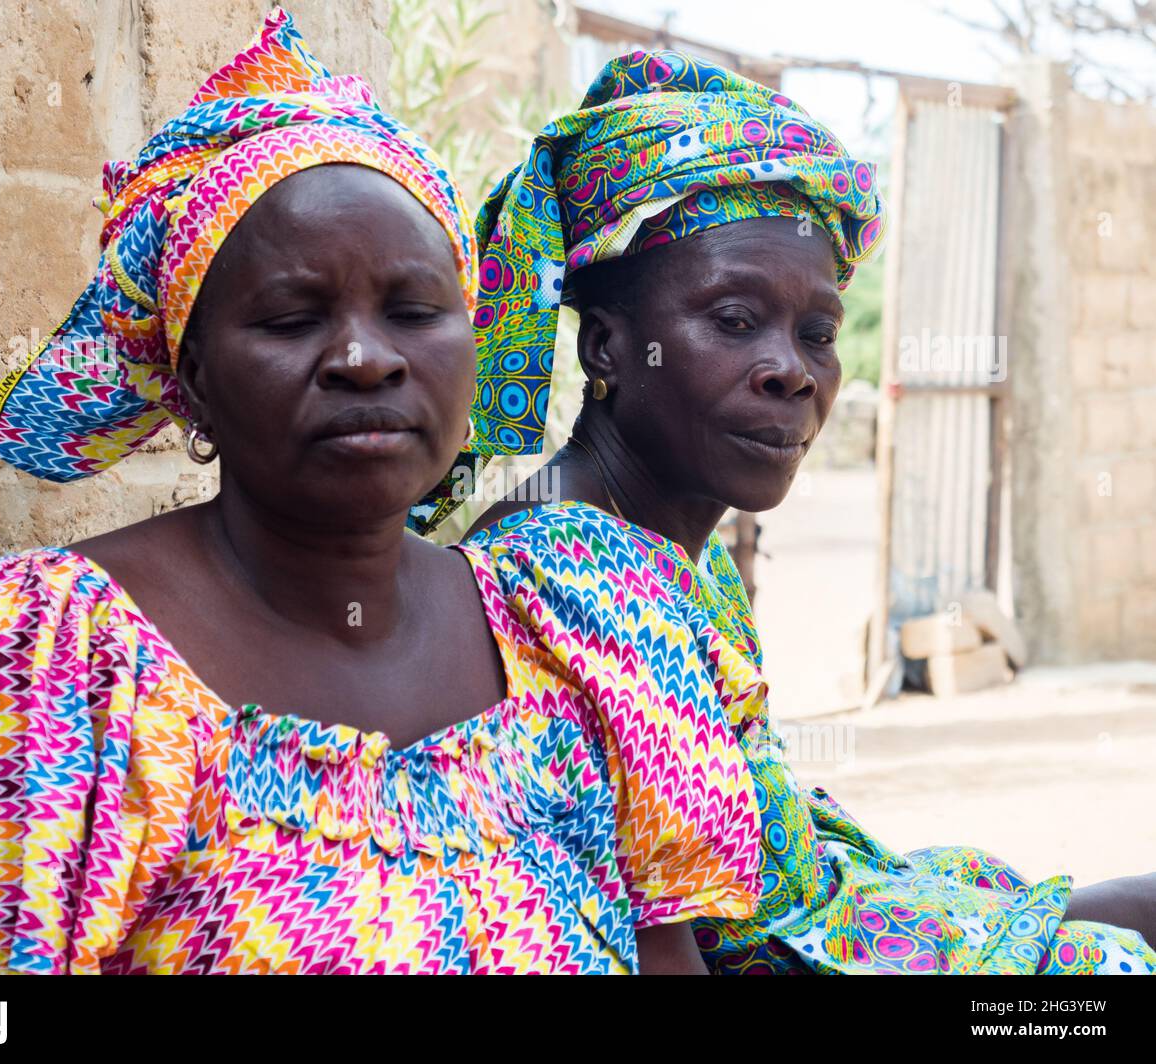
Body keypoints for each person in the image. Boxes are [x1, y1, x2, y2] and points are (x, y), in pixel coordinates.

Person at [0, 11, 762, 974]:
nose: (366, 358)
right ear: (194, 376)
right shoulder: (53, 663)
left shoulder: (586, 625)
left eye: (416, 312)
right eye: (293, 318)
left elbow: (669, 957)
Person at [454, 48, 1156, 974]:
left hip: (829, 907)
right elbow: (672, 943)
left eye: (817, 333)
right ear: (610, 348)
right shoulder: (578, 570)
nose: (794, 371)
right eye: (735, 321)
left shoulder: (670, 545)